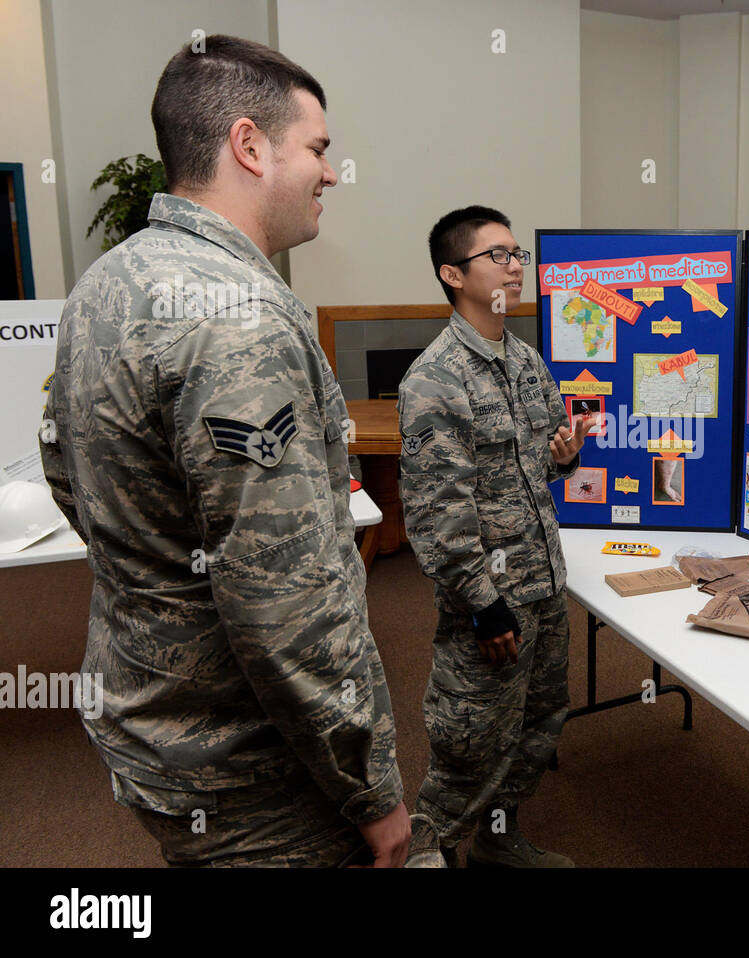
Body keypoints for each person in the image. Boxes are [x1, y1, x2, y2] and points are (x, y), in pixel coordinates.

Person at [39, 36, 409, 867]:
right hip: (253, 770)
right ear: (250, 145)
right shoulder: (240, 315)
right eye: (317, 148)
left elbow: (69, 472)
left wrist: (166, 565)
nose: (331, 172)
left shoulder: (105, 284)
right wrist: (371, 791)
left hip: (152, 720)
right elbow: (285, 600)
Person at [399, 206, 590, 867]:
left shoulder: (528, 362)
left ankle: (498, 840)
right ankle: (430, 850)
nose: (515, 266)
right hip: (492, 603)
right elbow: (437, 513)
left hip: (544, 587)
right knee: (471, 740)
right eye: (498, 256)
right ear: (453, 274)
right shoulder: (434, 379)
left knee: (537, 728)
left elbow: (538, 466)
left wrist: (564, 456)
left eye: (518, 255)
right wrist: (483, 605)